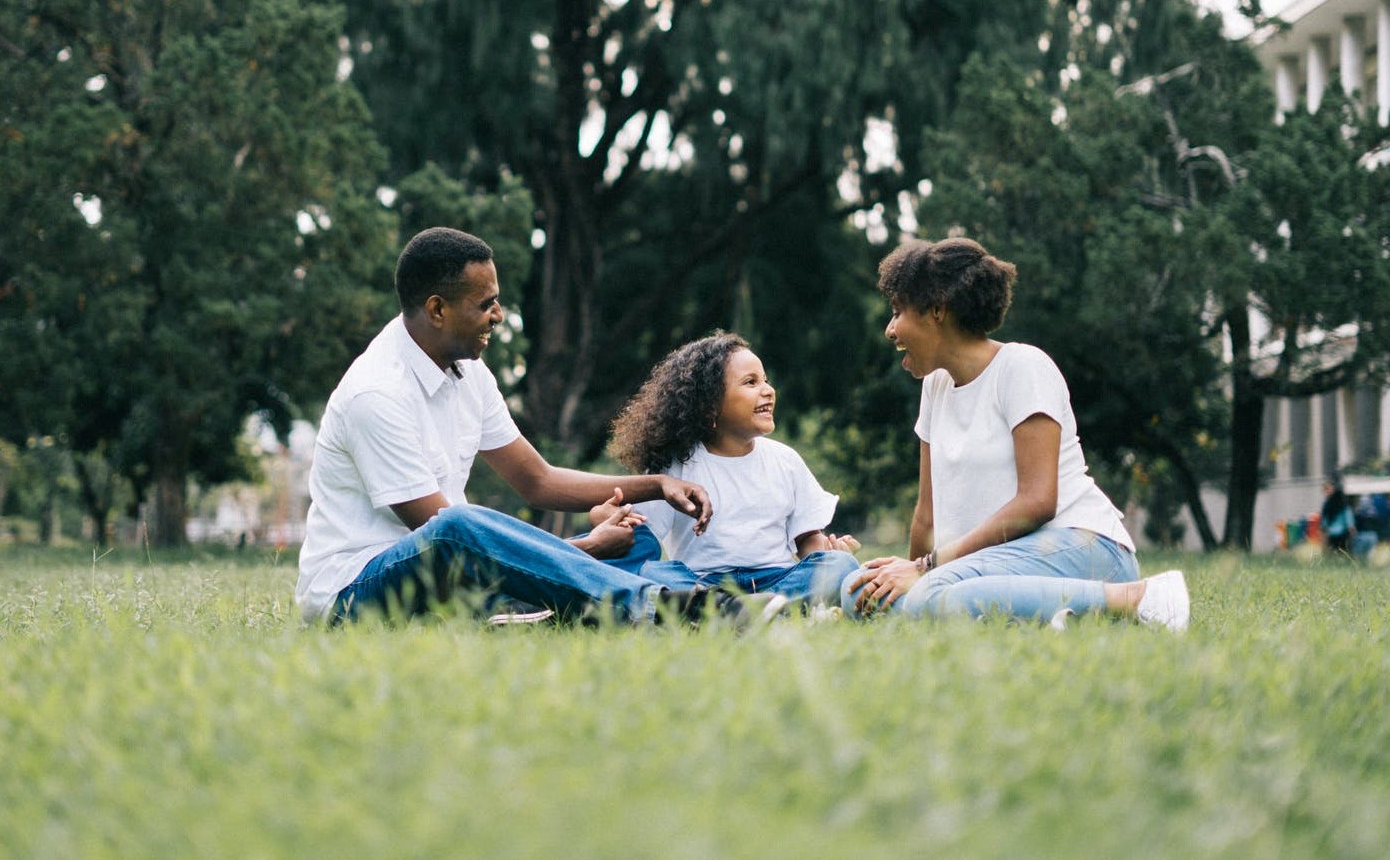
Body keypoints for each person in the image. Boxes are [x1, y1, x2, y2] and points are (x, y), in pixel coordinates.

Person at [295, 227, 777, 627]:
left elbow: (538, 481)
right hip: (355, 593)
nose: (498, 316)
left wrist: (656, 485)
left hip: (450, 576)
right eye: (486, 305)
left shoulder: (469, 374)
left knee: (633, 545)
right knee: (457, 523)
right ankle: (664, 607)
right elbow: (443, 535)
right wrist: (583, 547)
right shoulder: (376, 393)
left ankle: (548, 609)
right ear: (438, 309)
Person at [840, 236, 1190, 631]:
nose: (890, 329)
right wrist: (904, 575)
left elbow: (1038, 502)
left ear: (937, 309)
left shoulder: (1023, 367)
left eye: (897, 310)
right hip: (990, 563)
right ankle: (1050, 616)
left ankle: (1138, 598)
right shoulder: (935, 387)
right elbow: (926, 516)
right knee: (858, 594)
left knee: (932, 595)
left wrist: (927, 569)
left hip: (1079, 545)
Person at [597, 331, 861, 610]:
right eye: (750, 382)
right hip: (702, 584)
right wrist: (609, 516)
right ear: (709, 405)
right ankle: (742, 608)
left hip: (777, 578)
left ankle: (755, 608)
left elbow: (807, 537)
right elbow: (642, 533)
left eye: (765, 381)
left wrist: (824, 555)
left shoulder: (786, 460)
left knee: (840, 565)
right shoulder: (674, 466)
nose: (768, 390)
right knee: (654, 573)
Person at [1319, 479, 1357, 555]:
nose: (1326, 492)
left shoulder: (1339, 502)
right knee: (1341, 555)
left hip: (1342, 534)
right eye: (1324, 490)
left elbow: (1347, 515)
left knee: (1343, 554)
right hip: (1334, 535)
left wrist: (1351, 528)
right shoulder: (1328, 503)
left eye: (1327, 489)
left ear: (1333, 489)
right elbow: (1324, 521)